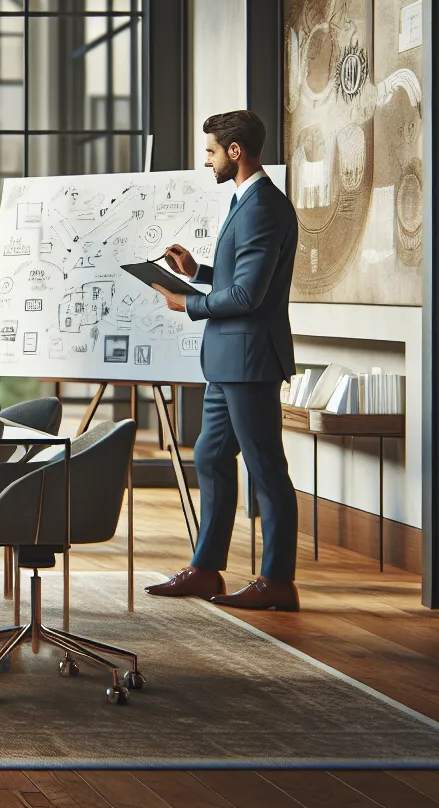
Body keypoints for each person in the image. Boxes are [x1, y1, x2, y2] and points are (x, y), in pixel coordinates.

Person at [146, 109, 301, 611]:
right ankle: (206, 569)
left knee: (266, 468)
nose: (206, 159)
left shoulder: (262, 207)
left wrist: (186, 302)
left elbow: (251, 296)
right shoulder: (245, 201)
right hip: (227, 362)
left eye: (211, 150)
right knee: (211, 455)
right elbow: (238, 277)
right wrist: (198, 271)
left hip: (250, 361)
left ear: (235, 152)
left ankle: (277, 581)